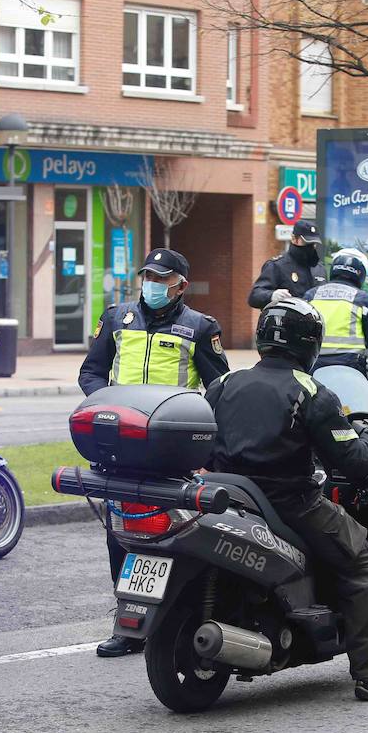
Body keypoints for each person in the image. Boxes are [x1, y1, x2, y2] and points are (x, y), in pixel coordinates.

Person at [204, 298, 368, 701]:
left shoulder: (223, 384)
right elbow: (353, 462)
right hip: (291, 504)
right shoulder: (312, 393)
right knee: (364, 565)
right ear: (309, 343)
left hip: (227, 499)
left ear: (263, 338)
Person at [79, 248, 230, 656]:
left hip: (174, 447)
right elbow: (91, 371)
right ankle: (128, 625)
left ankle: (178, 617)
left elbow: (220, 388)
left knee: (180, 530)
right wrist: (105, 403)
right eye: (148, 276)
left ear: (180, 285)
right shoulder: (116, 318)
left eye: (162, 279)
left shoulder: (200, 327)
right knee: (120, 532)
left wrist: (200, 431)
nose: (153, 285)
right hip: (123, 443)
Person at [303, 249, 368, 376]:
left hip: (312, 370)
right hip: (349, 371)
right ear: (361, 273)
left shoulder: (311, 295)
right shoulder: (365, 301)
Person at [247, 220, 326, 309]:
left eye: (313, 244)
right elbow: (254, 296)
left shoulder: (320, 269)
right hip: (286, 320)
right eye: (306, 243)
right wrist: (272, 296)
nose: (311, 247)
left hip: (315, 320)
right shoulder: (277, 266)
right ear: (293, 239)